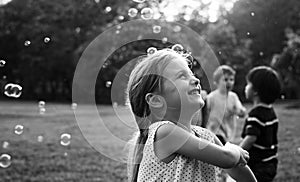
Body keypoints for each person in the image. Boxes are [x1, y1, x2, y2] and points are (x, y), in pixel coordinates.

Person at [126, 48, 256, 182]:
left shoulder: (205, 136)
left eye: (192, 74)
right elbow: (228, 159)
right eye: (182, 76)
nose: (196, 80)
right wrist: (234, 150)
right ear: (156, 100)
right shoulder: (163, 133)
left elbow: (237, 169)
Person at [240, 66, 281, 182]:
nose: (245, 87)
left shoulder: (256, 114)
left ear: (256, 91)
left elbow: (251, 138)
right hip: (270, 163)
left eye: (248, 84)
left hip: (258, 165)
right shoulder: (271, 111)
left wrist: (237, 152)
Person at [205, 65, 246, 144]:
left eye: (231, 79)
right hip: (214, 132)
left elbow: (240, 110)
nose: (229, 82)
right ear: (216, 82)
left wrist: (241, 112)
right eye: (225, 79)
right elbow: (205, 113)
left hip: (229, 133)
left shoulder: (233, 97)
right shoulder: (211, 97)